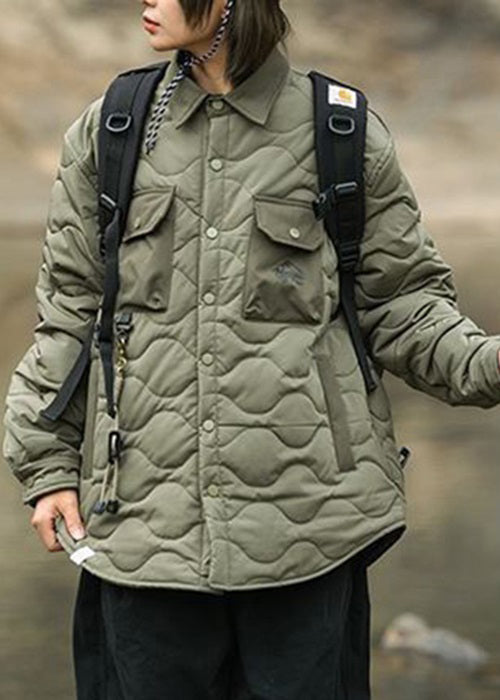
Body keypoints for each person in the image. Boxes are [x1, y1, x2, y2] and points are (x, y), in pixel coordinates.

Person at [3, 0, 500, 698]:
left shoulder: (341, 131)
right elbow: (70, 317)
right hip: (141, 537)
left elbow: (402, 306)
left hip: (311, 535)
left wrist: (488, 364)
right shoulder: (110, 131)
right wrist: (48, 466)